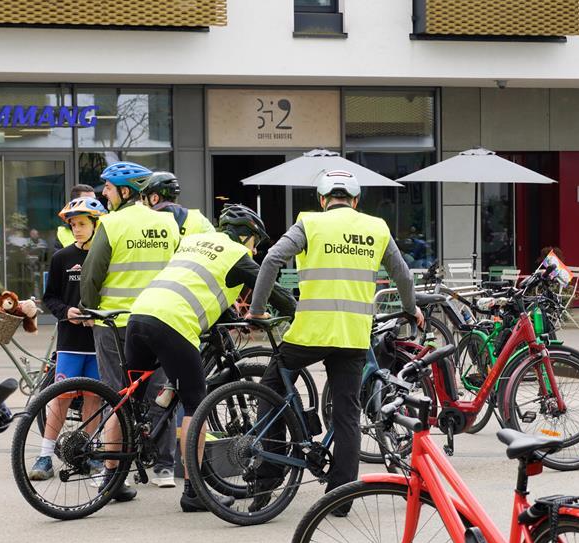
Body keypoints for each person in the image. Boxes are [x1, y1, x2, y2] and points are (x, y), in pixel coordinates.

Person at [247, 170, 424, 511]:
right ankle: (340, 500)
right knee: (346, 414)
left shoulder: (310, 223)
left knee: (271, 387)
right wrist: (410, 309)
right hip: (353, 336)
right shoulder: (376, 228)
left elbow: (271, 259)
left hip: (310, 332)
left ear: (323, 199)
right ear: (356, 201)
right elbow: (402, 274)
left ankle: (269, 474)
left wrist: (257, 310)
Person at [125, 204, 297, 511]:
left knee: (128, 399)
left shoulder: (192, 241)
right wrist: (297, 313)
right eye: (255, 243)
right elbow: (272, 291)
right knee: (195, 405)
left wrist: (226, 312)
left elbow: (193, 281)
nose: (255, 250)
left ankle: (111, 476)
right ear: (247, 237)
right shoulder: (236, 255)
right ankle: (194, 492)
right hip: (174, 322)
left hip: (140, 314)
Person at [80, 161, 180, 502]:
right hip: (158, 320)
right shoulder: (168, 224)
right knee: (161, 394)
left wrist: (89, 309)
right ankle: (165, 468)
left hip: (115, 323)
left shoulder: (111, 224)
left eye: (107, 188)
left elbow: (92, 274)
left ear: (125, 192)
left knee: (116, 396)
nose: (103, 193)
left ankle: (112, 475)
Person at [137, 171, 215, 488]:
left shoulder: (141, 221)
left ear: (154, 197)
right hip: (181, 313)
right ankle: (181, 473)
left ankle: (116, 469)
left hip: (141, 310)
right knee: (191, 396)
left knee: (133, 393)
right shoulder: (198, 221)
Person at [29, 197, 108, 481]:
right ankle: (44, 457)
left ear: (96, 225)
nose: (77, 229)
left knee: (94, 400)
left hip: (99, 341)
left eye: (82, 223)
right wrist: (67, 312)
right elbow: (50, 297)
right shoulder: (62, 257)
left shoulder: (107, 255)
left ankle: (90, 454)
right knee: (60, 398)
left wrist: (97, 316)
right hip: (70, 342)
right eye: (73, 224)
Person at [139, 172, 215, 236]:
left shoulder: (145, 224)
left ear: (154, 199)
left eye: (143, 197)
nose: (142, 202)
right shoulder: (199, 220)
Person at [55, 184, 98, 252]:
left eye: (94, 200)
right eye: (87, 201)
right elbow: (59, 258)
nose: (93, 204)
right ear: (74, 203)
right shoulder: (62, 232)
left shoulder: (104, 225)